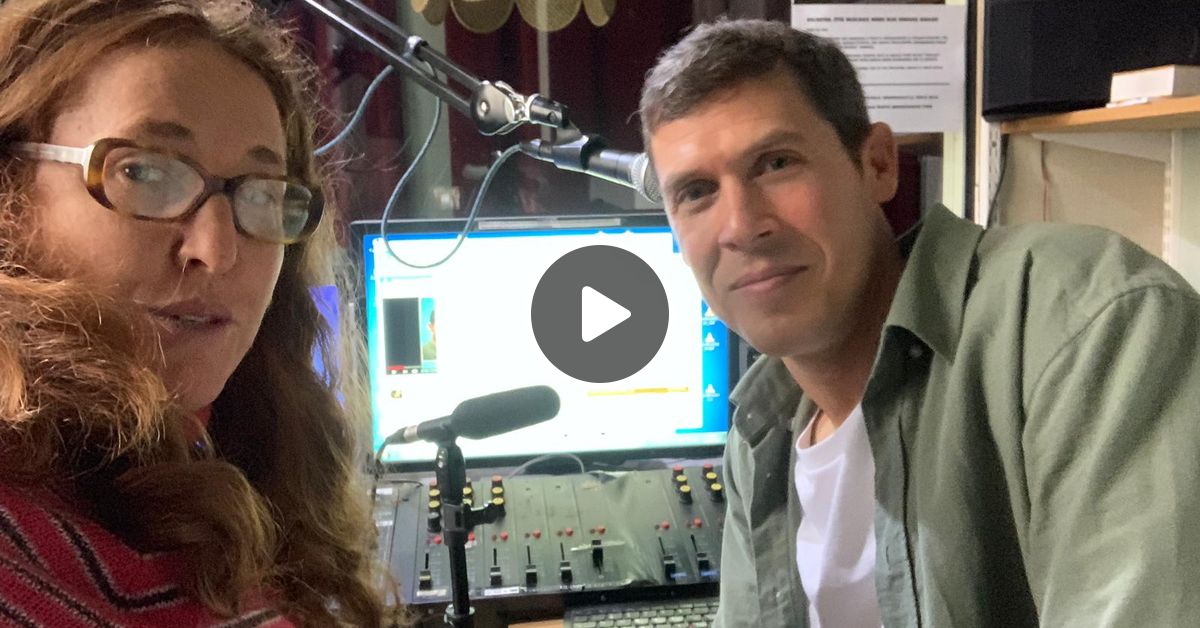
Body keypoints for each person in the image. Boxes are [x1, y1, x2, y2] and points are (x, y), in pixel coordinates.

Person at [640, 19, 1200, 628]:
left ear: (878, 164)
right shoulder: (761, 433)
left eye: (776, 163)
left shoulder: (1083, 321)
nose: (741, 227)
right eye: (695, 192)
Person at [0, 0, 395, 625]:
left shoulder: (246, 446)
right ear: (11, 189)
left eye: (262, 194)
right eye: (143, 171)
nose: (217, 250)